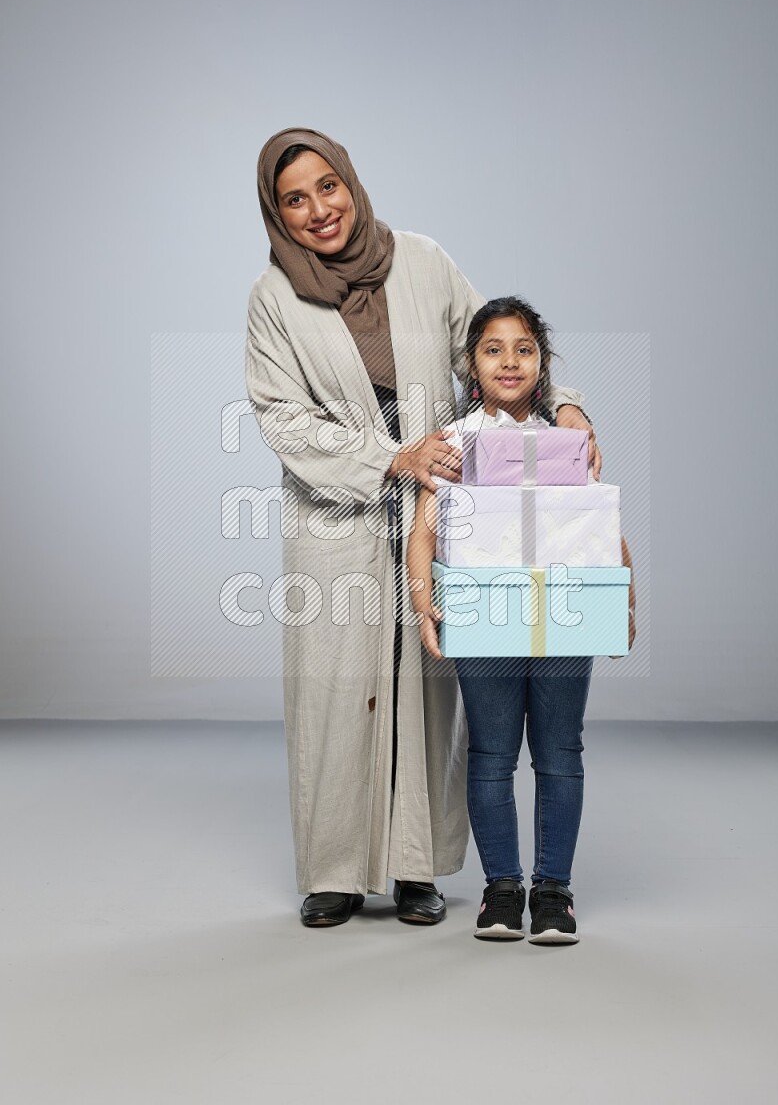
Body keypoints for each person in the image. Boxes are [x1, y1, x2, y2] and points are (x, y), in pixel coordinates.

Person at [246, 130, 599, 928]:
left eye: (327, 186)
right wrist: (388, 456)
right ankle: (333, 871)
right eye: (295, 199)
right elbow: (281, 417)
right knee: (334, 692)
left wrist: (567, 403)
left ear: (351, 182)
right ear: (278, 212)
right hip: (336, 514)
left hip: (445, 504)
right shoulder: (273, 299)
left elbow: (494, 350)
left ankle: (415, 868)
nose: (318, 210)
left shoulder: (423, 261)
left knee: (432, 692)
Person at [406, 296, 636, 943]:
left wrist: (624, 595)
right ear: (472, 368)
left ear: (543, 365)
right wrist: (426, 605)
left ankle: (554, 892)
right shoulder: (453, 442)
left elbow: (597, 522)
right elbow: (423, 534)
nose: (510, 360)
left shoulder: (569, 441)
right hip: (485, 616)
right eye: (493, 348)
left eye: (524, 348)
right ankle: (501, 890)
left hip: (563, 612)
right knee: (491, 755)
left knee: (561, 752)